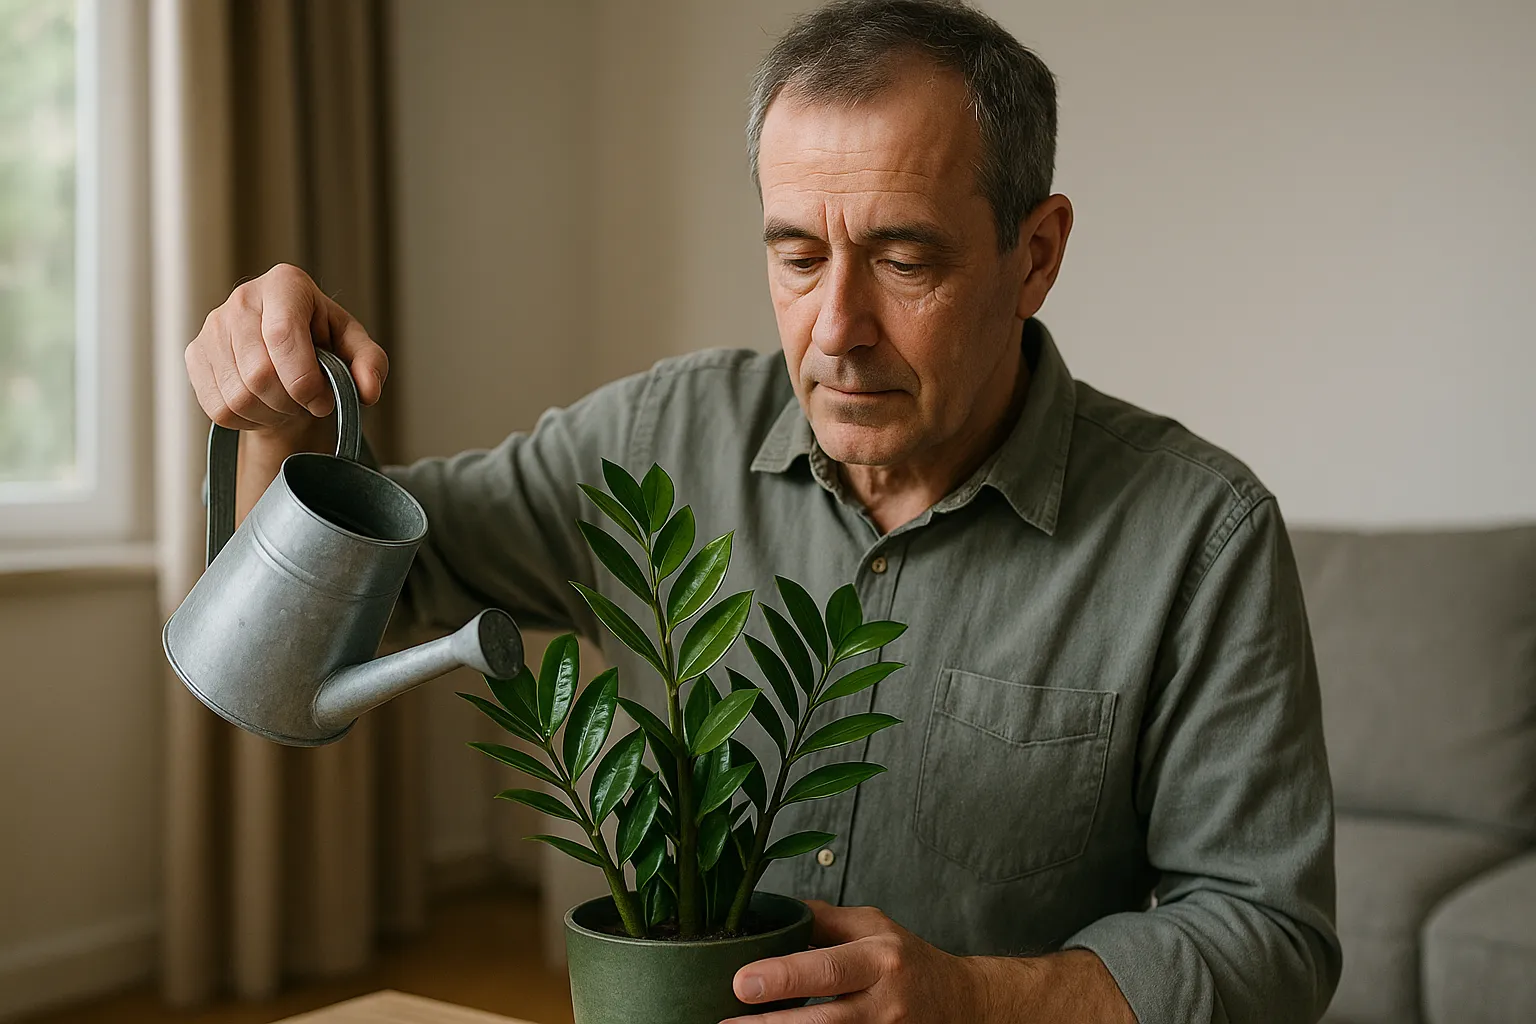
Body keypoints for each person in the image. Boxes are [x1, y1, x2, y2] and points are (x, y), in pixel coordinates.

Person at [183, 1, 1340, 1020]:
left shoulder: (1203, 536)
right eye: (796, 256)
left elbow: (1271, 936)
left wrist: (974, 1001)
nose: (836, 328)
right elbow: (296, 656)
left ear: (1033, 255)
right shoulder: (651, 446)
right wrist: (281, 415)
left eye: (904, 259)